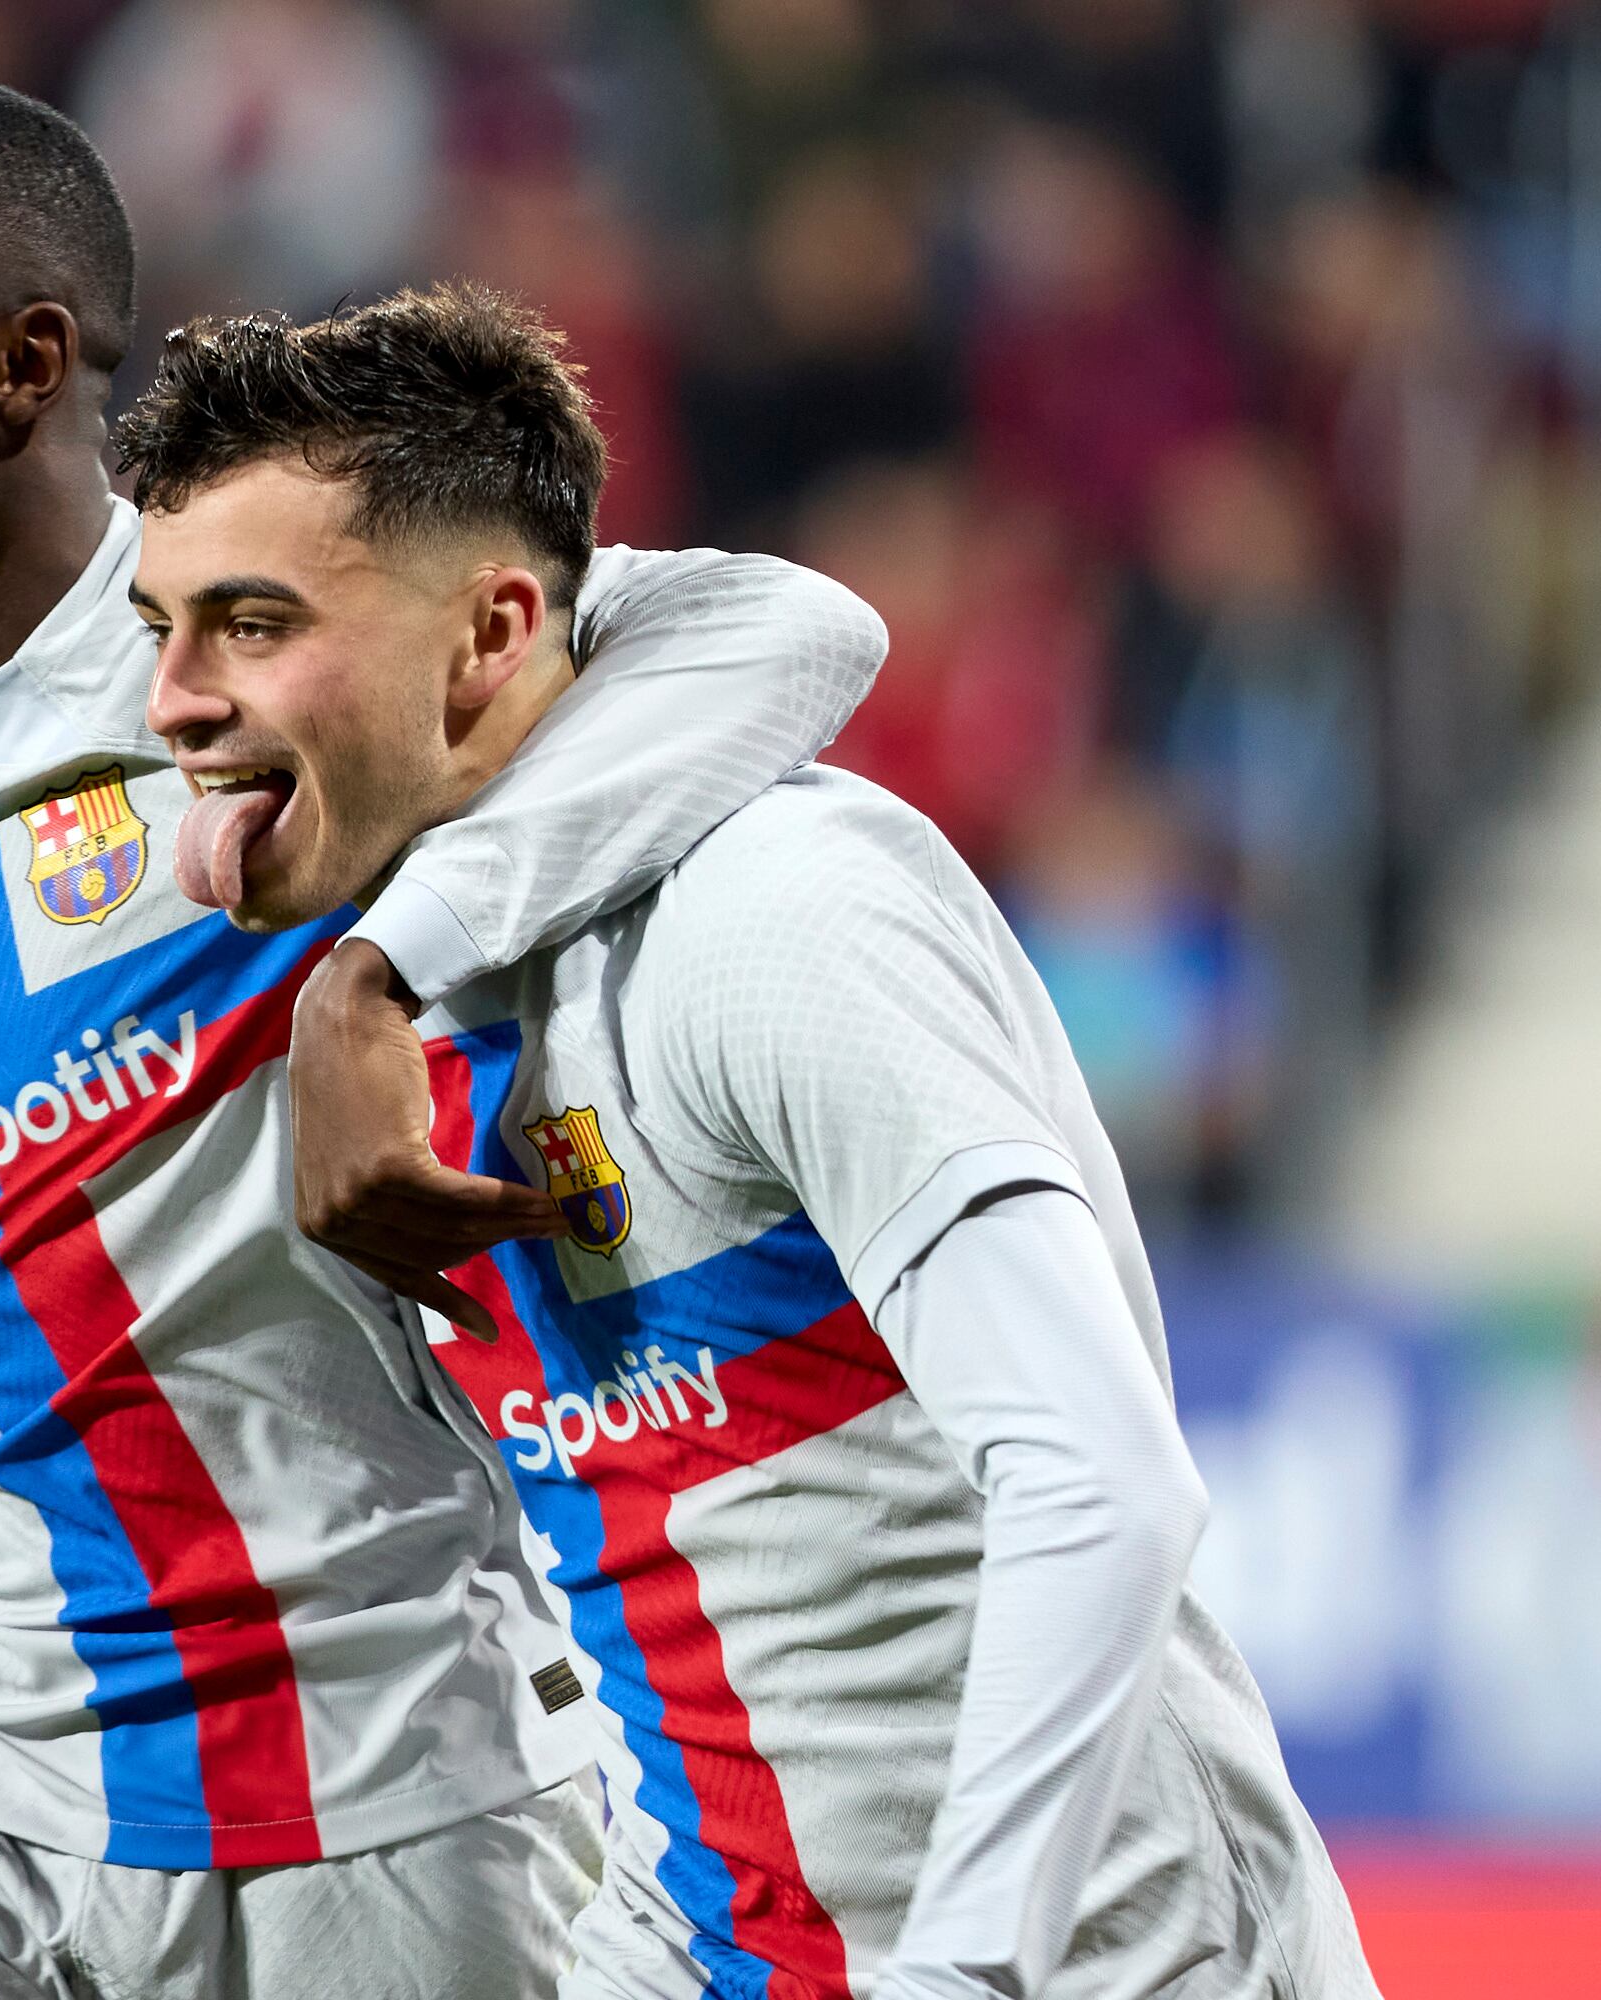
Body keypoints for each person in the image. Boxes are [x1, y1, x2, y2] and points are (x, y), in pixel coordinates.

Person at [0, 79, 887, 1998]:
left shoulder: (263, 606)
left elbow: (791, 631)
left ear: (21, 366)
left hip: (375, 1768)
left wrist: (383, 964)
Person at [124, 284, 1378, 2000]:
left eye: (253, 623)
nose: (174, 701)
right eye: (163, 627)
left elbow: (1103, 1488)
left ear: (491, 634)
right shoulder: (395, 996)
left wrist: (961, 1976)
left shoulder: (777, 917)